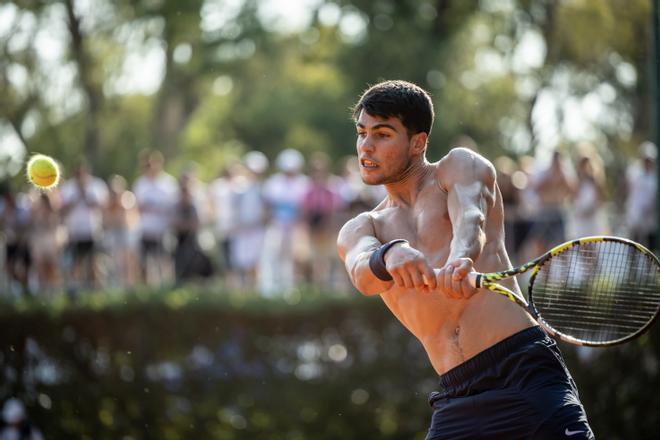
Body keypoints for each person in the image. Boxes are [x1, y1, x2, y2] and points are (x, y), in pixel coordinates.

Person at [336, 80, 594, 439]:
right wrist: (388, 255)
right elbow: (361, 271)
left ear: (417, 143)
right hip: (457, 397)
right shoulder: (363, 227)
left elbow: (471, 218)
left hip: (526, 374)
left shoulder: (458, 166)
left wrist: (462, 258)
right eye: (362, 132)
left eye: (382, 134)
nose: (366, 145)